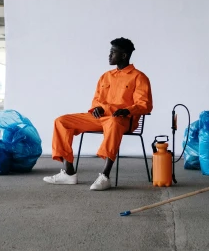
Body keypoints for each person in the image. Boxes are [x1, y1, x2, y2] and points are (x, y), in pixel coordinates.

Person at [44, 38, 153, 191]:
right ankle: (68, 172)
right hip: (100, 118)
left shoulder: (139, 77)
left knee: (114, 123)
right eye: (110, 52)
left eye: (113, 52)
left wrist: (127, 110)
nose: (109, 55)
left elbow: (144, 104)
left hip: (121, 120)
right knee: (61, 121)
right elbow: (97, 100)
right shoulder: (105, 76)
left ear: (124, 55)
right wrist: (98, 108)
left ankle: (105, 176)